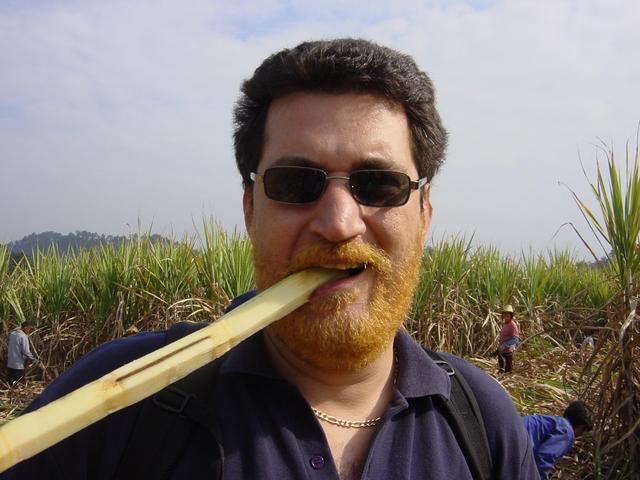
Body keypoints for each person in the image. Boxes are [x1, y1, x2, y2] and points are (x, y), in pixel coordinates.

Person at [0, 38, 538, 479]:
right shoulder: (117, 403)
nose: (338, 222)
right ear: (249, 208)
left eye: (379, 184)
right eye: (294, 182)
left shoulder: (483, 421)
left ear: (423, 212)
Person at [522, 401, 594, 480]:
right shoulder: (567, 433)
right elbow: (544, 458)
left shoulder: (555, 422)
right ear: (582, 426)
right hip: (517, 446)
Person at [6, 321, 37, 387]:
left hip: (10, 363)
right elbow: (26, 352)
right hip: (18, 365)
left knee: (9, 383)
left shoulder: (12, 334)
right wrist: (34, 359)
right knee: (15, 385)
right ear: (25, 328)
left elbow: (15, 330)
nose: (29, 331)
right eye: (29, 329)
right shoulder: (23, 337)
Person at [497, 304, 519, 373]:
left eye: (508, 314)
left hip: (508, 351)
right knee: (501, 368)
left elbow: (515, 339)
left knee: (508, 370)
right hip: (502, 350)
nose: (506, 315)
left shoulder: (513, 325)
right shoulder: (505, 324)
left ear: (511, 315)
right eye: (504, 314)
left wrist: (505, 345)